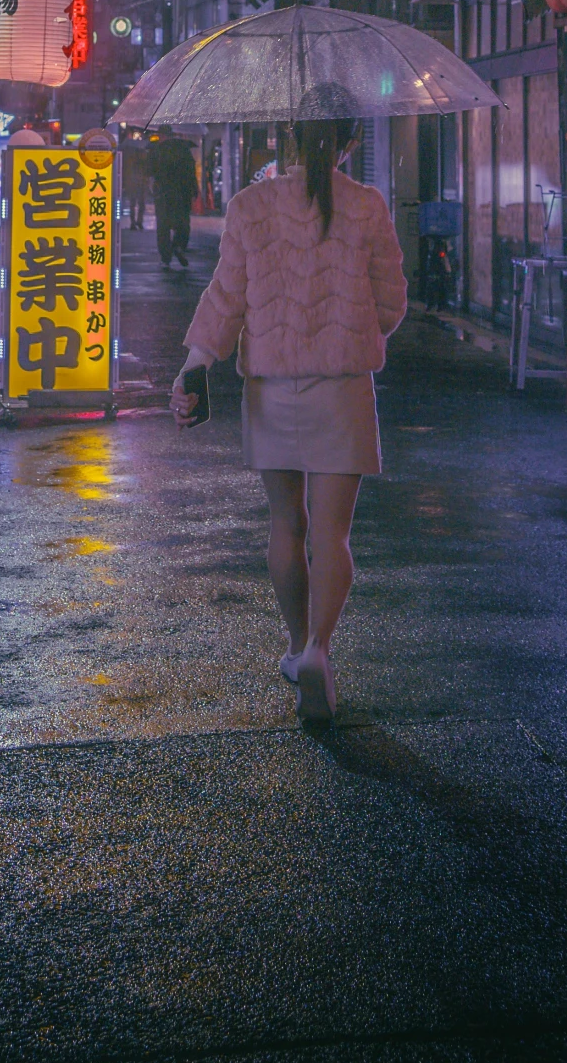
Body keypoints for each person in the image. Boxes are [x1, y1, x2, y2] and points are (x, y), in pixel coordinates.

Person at [171, 119, 406, 724]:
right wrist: (354, 330)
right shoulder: (366, 204)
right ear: (350, 142)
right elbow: (391, 304)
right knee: (333, 534)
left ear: (284, 138)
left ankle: (296, 642)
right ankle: (320, 651)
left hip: (270, 391)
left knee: (287, 524)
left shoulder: (250, 206)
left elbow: (226, 296)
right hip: (343, 390)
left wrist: (197, 365)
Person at [149, 130, 198, 268]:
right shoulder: (184, 149)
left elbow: (150, 171)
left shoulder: (157, 151)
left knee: (163, 226)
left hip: (164, 194)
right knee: (183, 222)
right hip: (183, 194)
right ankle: (179, 246)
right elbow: (191, 171)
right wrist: (194, 189)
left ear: (162, 136)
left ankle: (165, 258)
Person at [122, 133, 149, 229]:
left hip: (134, 184)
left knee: (134, 204)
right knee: (139, 204)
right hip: (138, 183)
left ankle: (134, 222)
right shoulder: (143, 158)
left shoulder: (131, 158)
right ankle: (137, 222)